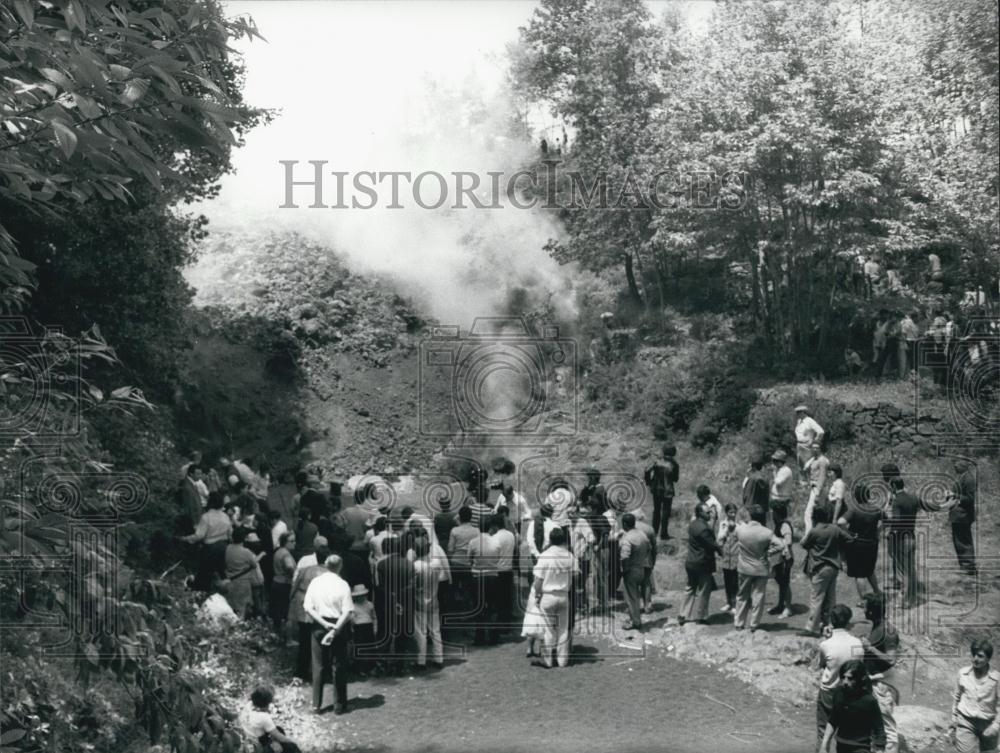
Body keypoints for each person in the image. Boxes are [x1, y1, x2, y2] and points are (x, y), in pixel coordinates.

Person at [304, 555, 354, 714]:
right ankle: (339, 705)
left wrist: (324, 624)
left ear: (325, 565)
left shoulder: (315, 582)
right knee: (338, 664)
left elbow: (308, 607)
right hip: (338, 624)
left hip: (319, 624)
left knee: (318, 665)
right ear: (340, 566)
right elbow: (347, 611)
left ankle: (316, 705)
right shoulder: (343, 584)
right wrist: (334, 629)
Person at [726, 504, 786, 632]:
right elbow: (781, 545)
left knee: (742, 595)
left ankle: (739, 622)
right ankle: (754, 624)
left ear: (750, 516)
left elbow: (733, 532)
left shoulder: (741, 530)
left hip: (744, 567)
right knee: (758, 596)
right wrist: (769, 552)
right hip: (761, 568)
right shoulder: (767, 532)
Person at [815, 605, 865, 752]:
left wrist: (826, 638)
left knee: (823, 731)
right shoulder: (858, 643)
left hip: (829, 692)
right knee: (845, 731)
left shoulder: (826, 644)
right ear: (848, 621)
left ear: (831, 620)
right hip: (850, 693)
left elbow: (820, 665)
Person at [801, 505, 853, 636]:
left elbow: (804, 544)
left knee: (816, 597)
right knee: (830, 597)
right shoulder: (835, 529)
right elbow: (849, 539)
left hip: (819, 568)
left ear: (816, 516)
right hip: (834, 567)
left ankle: (811, 627)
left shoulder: (815, 531)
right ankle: (829, 623)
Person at [531, 527, 577, 668]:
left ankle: (548, 660)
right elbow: (576, 576)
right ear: (564, 540)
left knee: (548, 629)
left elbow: (538, 580)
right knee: (563, 628)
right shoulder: (570, 556)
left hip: (548, 595)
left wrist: (536, 595)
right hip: (564, 595)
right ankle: (563, 660)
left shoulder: (545, 556)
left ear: (550, 540)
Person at [819, 660, 887, 753]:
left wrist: (880, 750)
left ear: (860, 679)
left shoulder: (868, 701)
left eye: (850, 678)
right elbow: (833, 719)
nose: (845, 682)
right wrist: (824, 744)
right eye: (843, 677)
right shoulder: (838, 694)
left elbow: (879, 729)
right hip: (841, 746)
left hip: (861, 747)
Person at [863, 593, 900, 753]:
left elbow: (891, 659)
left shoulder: (888, 630)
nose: (863, 610)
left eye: (865, 607)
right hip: (874, 681)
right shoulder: (877, 626)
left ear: (871, 611)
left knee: (887, 727)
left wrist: (870, 648)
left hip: (883, 684)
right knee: (874, 724)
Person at [288, 538, 331, 680]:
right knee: (316, 638)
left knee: (306, 639)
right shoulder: (325, 572)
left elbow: (295, 585)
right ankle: (319, 670)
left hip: (306, 605)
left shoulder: (307, 569)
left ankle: (304, 670)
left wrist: (291, 600)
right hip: (315, 606)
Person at [950, 639, 999, 753]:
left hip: (988, 724)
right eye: (974, 655)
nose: (976, 659)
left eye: (980, 656)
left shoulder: (996, 679)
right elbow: (957, 698)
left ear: (988, 658)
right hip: (966, 722)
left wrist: (996, 726)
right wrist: (954, 719)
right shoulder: (963, 674)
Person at [373, 536, 415, 671]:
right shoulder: (409, 564)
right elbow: (412, 585)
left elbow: (378, 586)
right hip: (404, 603)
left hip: (385, 603)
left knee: (384, 632)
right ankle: (400, 663)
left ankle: (383, 662)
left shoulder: (381, 564)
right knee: (402, 633)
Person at [840, 483, 884, 603]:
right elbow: (887, 520)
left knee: (859, 574)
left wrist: (849, 533)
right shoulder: (876, 508)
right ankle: (877, 592)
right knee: (870, 571)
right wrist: (878, 531)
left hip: (857, 544)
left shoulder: (854, 509)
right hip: (872, 543)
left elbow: (841, 522)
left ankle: (864, 600)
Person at [180, 492, 232, 591]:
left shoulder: (206, 517)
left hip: (210, 549)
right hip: (223, 547)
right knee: (221, 572)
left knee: (205, 574)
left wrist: (185, 539)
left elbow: (199, 535)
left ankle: (202, 592)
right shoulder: (225, 516)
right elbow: (230, 532)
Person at [679, 502, 719, 625]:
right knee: (703, 591)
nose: (710, 514)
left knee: (690, 588)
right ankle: (701, 616)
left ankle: (683, 614)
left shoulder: (693, 525)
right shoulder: (704, 529)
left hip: (691, 561)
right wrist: (721, 550)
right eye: (707, 512)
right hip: (703, 563)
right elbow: (712, 544)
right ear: (700, 513)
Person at [885, 477, 920, 608]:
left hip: (901, 539)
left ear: (894, 486)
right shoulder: (913, 498)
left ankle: (903, 601)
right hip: (911, 536)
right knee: (911, 570)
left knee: (902, 572)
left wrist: (890, 531)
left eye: (890, 486)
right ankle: (912, 598)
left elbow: (897, 521)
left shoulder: (897, 501)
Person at [411, 537, 444, 668]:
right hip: (434, 600)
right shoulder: (436, 563)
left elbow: (413, 584)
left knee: (420, 632)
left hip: (419, 601)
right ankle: (438, 658)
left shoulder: (415, 566)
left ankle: (421, 661)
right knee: (435, 630)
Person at [467, 518, 500, 645]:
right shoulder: (496, 541)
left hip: (477, 577)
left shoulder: (473, 542)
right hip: (492, 576)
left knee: (478, 607)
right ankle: (493, 636)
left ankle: (479, 636)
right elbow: (498, 557)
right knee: (492, 606)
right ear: (490, 527)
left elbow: (469, 558)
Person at [243, 686, 302, 753]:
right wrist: (292, 742)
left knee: (278, 729)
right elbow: (279, 737)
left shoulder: (248, 706)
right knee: (291, 746)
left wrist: (274, 740)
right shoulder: (263, 717)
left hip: (251, 737)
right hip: (259, 745)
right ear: (267, 703)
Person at [945, 460, 978, 576]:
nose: (955, 466)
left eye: (958, 465)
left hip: (963, 516)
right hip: (958, 515)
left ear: (964, 467)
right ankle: (964, 566)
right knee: (959, 541)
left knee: (964, 541)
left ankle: (969, 567)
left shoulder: (969, 479)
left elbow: (969, 499)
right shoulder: (961, 476)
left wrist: (954, 495)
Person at [224, 528, 264, 619]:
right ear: (243, 539)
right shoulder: (246, 552)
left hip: (230, 580)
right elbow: (254, 565)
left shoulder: (228, 548)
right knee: (242, 608)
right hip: (243, 583)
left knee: (231, 606)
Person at [619, 513, 650, 631]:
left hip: (631, 570)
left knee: (631, 598)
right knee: (635, 596)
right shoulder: (642, 534)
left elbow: (624, 557)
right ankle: (634, 618)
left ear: (625, 524)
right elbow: (649, 548)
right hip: (641, 567)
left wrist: (624, 571)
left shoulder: (627, 538)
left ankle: (635, 622)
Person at [644, 445, 679, 539]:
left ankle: (654, 532)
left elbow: (647, 470)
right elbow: (676, 479)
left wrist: (649, 482)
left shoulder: (657, 461)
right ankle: (663, 534)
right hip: (668, 490)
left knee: (656, 511)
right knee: (666, 512)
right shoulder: (674, 464)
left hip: (656, 489)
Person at [490, 512, 517, 630]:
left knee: (498, 600)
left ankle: (499, 625)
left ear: (495, 526)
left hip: (498, 571)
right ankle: (506, 624)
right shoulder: (511, 535)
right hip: (508, 570)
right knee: (506, 599)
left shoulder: (494, 538)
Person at [768, 511, 794, 619]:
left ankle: (788, 608)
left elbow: (788, 541)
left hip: (785, 558)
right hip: (779, 558)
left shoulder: (785, 525)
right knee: (781, 583)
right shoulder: (779, 524)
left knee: (785, 583)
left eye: (774, 513)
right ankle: (780, 605)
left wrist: (777, 543)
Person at [270, 531, 297, 636]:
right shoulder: (286, 554)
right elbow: (289, 566)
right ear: (285, 542)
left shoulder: (278, 551)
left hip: (276, 582)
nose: (294, 543)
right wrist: (293, 575)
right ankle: (289, 639)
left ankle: (276, 635)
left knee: (277, 612)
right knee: (287, 613)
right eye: (292, 541)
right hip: (284, 584)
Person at [348, 584, 377, 675]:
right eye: (359, 596)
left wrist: (375, 628)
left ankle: (370, 667)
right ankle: (360, 668)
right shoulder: (353, 606)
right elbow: (352, 619)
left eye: (362, 595)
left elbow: (374, 617)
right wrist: (352, 628)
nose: (361, 597)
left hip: (368, 627)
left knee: (370, 648)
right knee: (360, 648)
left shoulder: (370, 605)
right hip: (359, 628)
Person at [803, 443, 830, 535]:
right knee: (816, 513)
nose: (814, 450)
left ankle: (808, 535)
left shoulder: (822, 460)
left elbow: (822, 477)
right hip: (814, 488)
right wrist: (812, 458)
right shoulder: (815, 460)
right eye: (813, 448)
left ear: (820, 449)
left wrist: (818, 493)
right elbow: (805, 468)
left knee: (809, 513)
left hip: (819, 489)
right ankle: (816, 534)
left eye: (816, 448)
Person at [719, 504, 740, 613]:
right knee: (727, 582)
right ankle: (728, 602)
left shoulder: (739, 525)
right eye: (730, 512)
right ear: (726, 513)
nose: (733, 514)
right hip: (726, 557)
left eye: (734, 512)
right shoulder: (723, 524)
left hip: (736, 557)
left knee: (735, 582)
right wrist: (727, 529)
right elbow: (719, 539)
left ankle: (735, 605)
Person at [794, 406, 825, 472]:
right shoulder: (799, 421)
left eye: (798, 412)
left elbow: (821, 431)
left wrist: (815, 441)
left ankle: (810, 481)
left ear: (803, 412)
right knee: (800, 467)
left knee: (808, 465)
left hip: (807, 445)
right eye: (797, 412)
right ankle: (802, 482)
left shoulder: (809, 421)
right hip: (799, 444)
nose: (797, 414)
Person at [769, 450, 794, 527]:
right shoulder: (780, 470)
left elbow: (778, 482)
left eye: (775, 461)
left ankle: (783, 534)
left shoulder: (785, 471)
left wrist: (774, 473)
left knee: (780, 520)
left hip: (781, 500)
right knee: (776, 519)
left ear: (780, 461)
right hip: (777, 499)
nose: (774, 463)